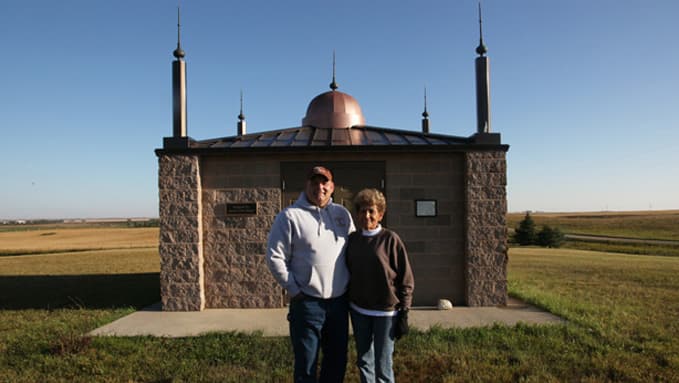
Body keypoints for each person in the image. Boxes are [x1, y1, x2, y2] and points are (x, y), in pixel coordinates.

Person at [266, 165, 355, 383]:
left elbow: (355, 250)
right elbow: (275, 257)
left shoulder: (342, 215)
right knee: (306, 365)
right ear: (306, 186)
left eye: (324, 183)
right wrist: (294, 290)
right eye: (314, 183)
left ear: (332, 187)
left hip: (339, 304)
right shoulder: (289, 217)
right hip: (307, 304)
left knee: (336, 363)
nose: (320, 187)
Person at [345, 188, 414, 383]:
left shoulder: (391, 240)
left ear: (380, 214)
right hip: (359, 311)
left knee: (383, 365)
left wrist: (405, 311)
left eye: (371, 211)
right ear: (357, 214)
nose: (366, 215)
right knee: (364, 361)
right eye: (362, 210)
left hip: (386, 313)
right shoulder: (353, 240)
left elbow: (406, 278)